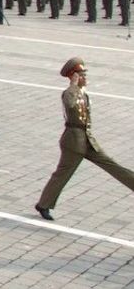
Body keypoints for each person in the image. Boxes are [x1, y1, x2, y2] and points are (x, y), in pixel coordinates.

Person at [35, 58, 134, 221]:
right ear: (74, 76)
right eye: (81, 75)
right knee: (62, 174)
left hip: (87, 140)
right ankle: (43, 204)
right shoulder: (69, 93)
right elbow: (70, 104)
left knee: (112, 165)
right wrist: (73, 85)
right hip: (73, 143)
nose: (85, 77)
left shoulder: (82, 93)